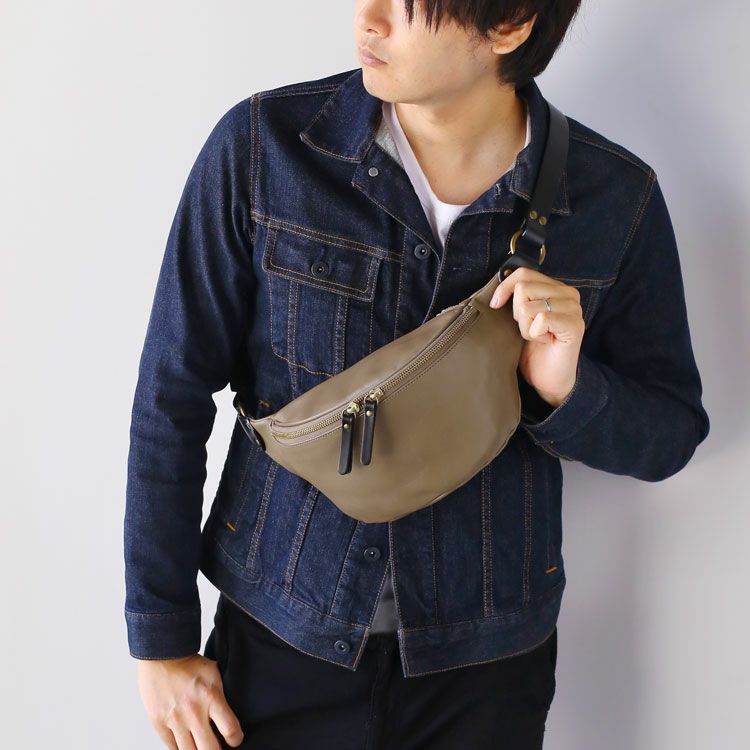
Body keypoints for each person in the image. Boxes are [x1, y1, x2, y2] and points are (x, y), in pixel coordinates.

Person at [124, 1, 710, 749]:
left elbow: (669, 435)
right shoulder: (264, 147)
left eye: (406, 5)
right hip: (278, 644)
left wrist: (566, 389)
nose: (367, 19)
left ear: (510, 24)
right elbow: (170, 393)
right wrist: (162, 641)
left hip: (487, 676)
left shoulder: (612, 197)